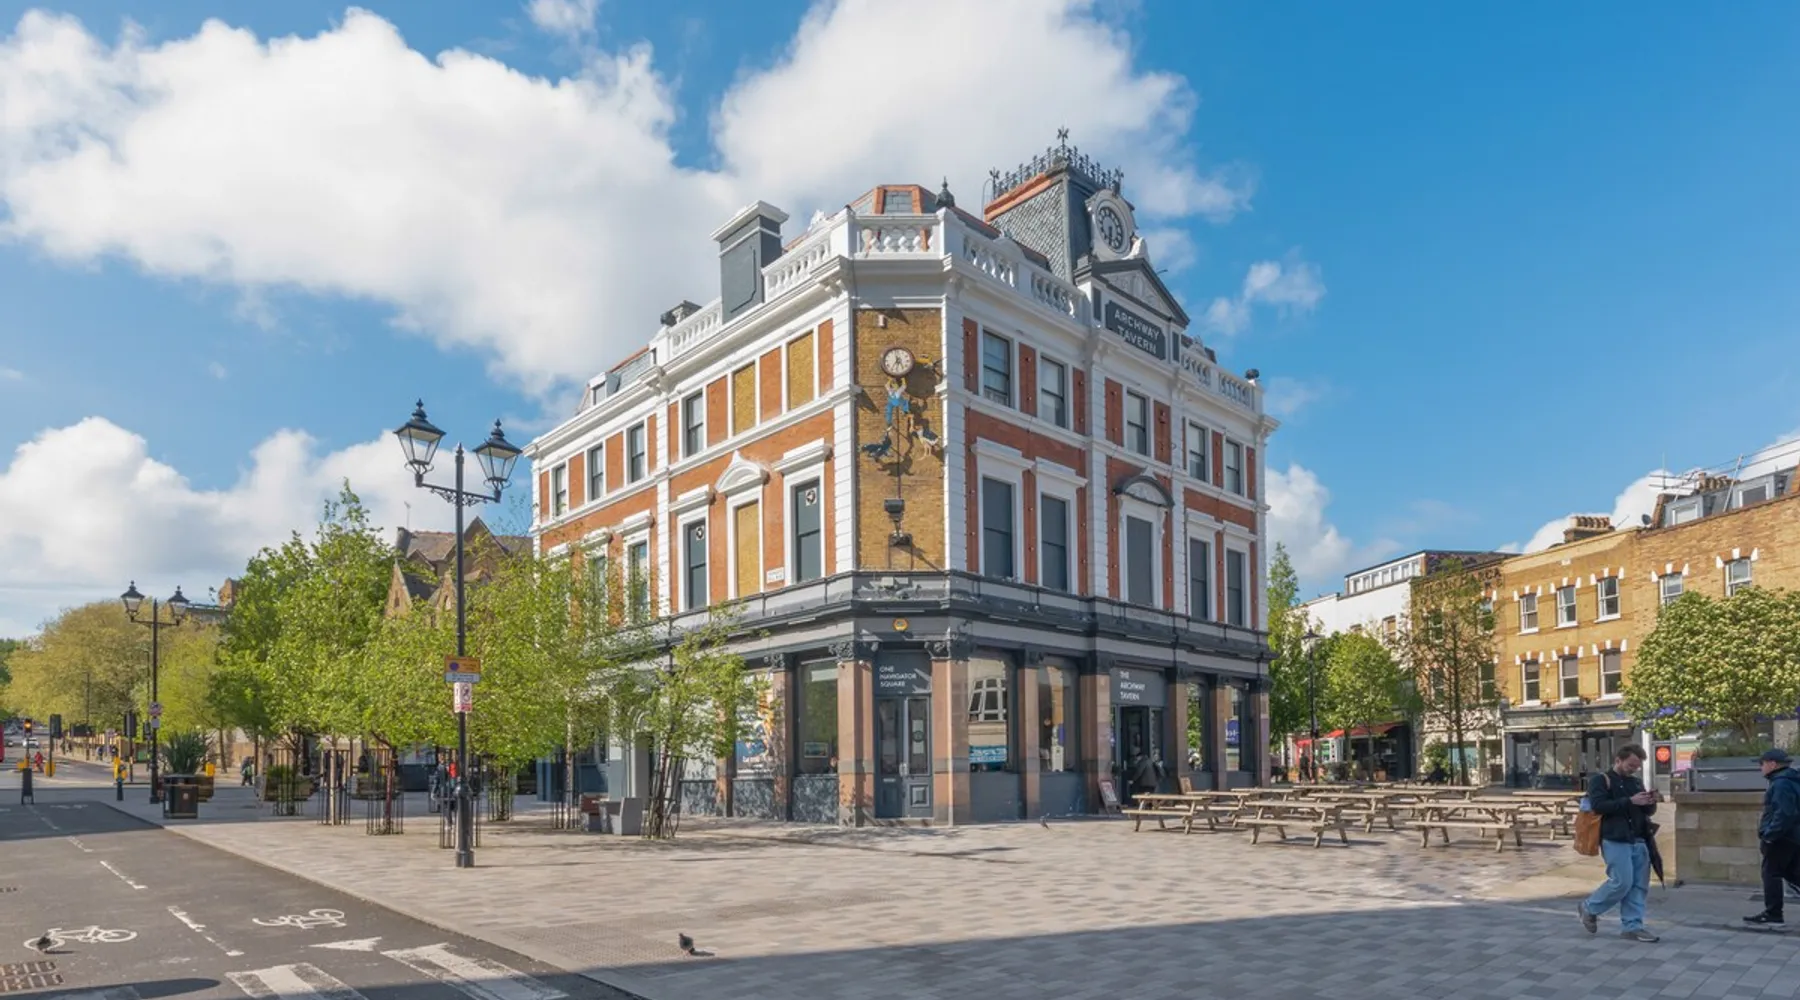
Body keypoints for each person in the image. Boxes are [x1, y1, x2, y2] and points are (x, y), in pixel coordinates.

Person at [1578, 745, 1660, 942]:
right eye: (1631, 765)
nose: (1634, 769)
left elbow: (1647, 811)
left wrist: (1651, 801)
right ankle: (1589, 907)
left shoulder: (1636, 782)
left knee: (1639, 886)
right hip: (1615, 838)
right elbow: (1599, 806)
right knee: (1621, 882)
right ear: (1618, 760)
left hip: (1639, 839)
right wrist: (1630, 801)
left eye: (1637, 766)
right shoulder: (1600, 780)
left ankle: (1633, 926)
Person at [1745, 748, 1800, 928]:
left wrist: (1769, 835)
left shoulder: (1781, 784)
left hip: (1782, 838)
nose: (1760, 767)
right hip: (1792, 836)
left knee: (1771, 873)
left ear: (1773, 764)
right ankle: (1773, 913)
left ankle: (1773, 914)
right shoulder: (1791, 780)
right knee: (1793, 874)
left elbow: (1784, 814)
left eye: (1762, 763)